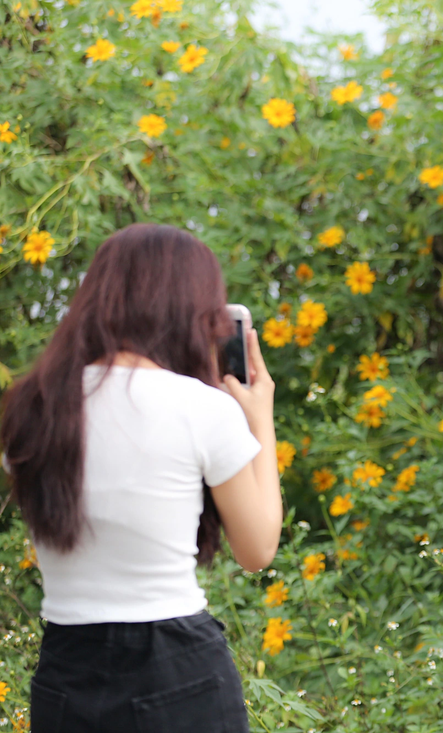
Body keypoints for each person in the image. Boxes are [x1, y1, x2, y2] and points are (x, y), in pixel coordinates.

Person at [0, 223, 283, 733]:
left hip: (65, 670)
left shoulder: (30, 408)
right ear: (189, 308)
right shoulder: (199, 407)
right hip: (176, 670)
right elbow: (257, 549)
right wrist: (259, 416)